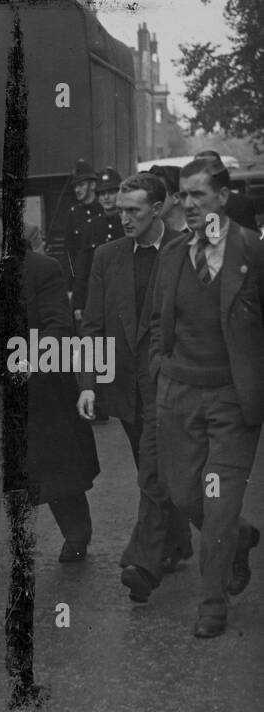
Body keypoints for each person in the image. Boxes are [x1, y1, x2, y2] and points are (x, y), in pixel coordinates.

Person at [0, 191, 99, 590]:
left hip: (37, 388)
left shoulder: (41, 269)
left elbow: (59, 326)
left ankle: (77, 532)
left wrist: (29, 361)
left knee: (52, 467)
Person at [148, 157, 264, 638]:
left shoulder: (252, 251)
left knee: (217, 503)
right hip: (178, 394)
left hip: (231, 401)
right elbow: (158, 322)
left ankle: (212, 603)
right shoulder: (173, 252)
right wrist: (158, 371)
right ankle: (239, 538)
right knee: (183, 493)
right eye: (182, 195)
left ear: (222, 195)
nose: (188, 204)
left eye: (198, 194)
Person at [78, 172, 193, 603]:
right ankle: (178, 542)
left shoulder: (185, 251)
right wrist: (88, 383)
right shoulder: (107, 257)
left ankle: (142, 561)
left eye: (134, 211)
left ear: (158, 208)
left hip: (171, 385)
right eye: (121, 210)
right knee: (159, 472)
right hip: (125, 385)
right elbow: (91, 324)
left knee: (151, 472)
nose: (123, 218)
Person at [62, 159, 106, 322]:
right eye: (75, 186)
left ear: (93, 185)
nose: (77, 189)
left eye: (81, 185)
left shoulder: (104, 210)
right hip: (84, 283)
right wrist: (71, 287)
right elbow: (69, 254)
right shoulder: (73, 214)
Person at [195, 150, 260, 234]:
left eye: (211, 165)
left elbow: (251, 238)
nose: (205, 170)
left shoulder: (240, 204)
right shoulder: (185, 204)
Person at [94, 168, 127, 245]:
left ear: (120, 194)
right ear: (98, 198)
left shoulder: (127, 222)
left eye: (111, 192)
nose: (106, 197)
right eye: (102, 193)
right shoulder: (92, 226)